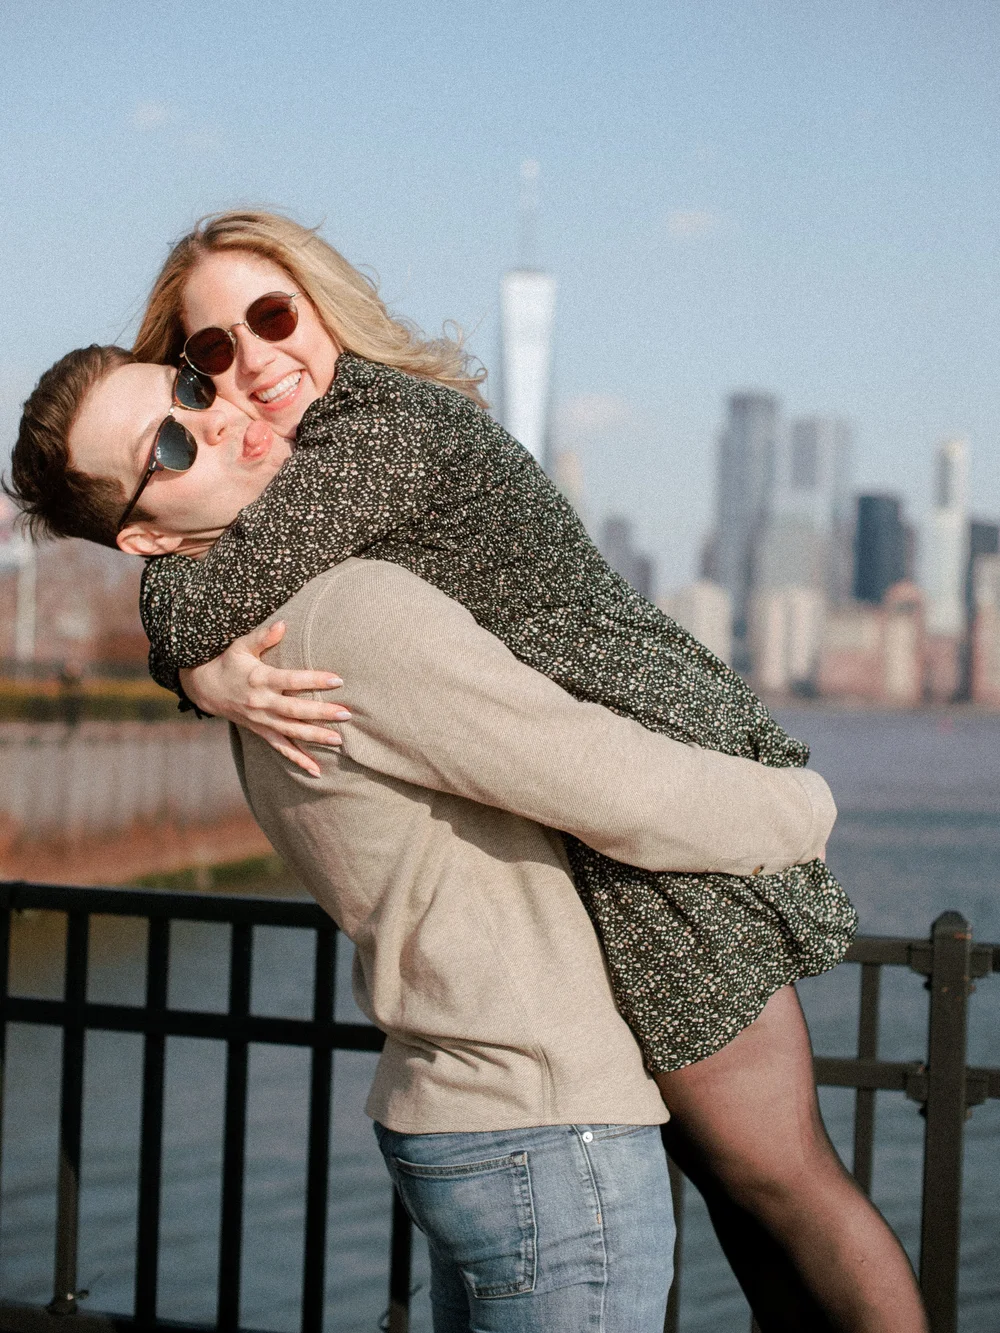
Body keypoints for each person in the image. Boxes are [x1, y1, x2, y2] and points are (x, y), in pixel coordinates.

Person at [117, 211, 925, 1330]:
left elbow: (190, 582)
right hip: (589, 813)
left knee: (782, 1181)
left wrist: (195, 669)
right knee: (742, 1195)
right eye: (211, 350)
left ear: (324, 307)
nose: (254, 359)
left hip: (654, 786)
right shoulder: (307, 467)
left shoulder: (385, 429)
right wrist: (194, 656)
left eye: (271, 315)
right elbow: (176, 554)